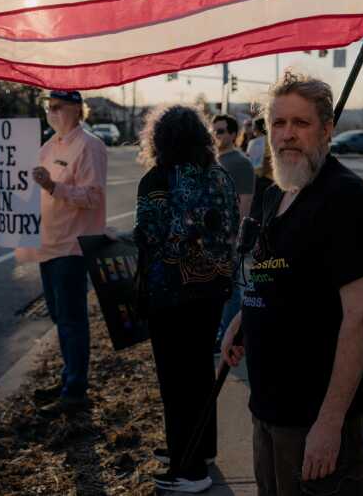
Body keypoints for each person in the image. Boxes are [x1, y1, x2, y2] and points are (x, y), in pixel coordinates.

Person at [221, 72, 363, 496]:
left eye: (301, 123)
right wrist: (244, 317)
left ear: (327, 129)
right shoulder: (276, 194)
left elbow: (360, 318)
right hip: (269, 406)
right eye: (279, 123)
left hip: (315, 416)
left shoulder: (344, 198)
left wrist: (330, 424)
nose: (287, 135)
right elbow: (277, 277)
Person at [135, 105, 239, 494]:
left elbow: (148, 235)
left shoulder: (157, 179)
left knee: (176, 381)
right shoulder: (221, 177)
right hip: (213, 289)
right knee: (198, 371)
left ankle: (190, 469)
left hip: (170, 295)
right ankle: (200, 448)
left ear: (158, 140)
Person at [0, 89, 107, 413]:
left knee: (72, 319)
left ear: (76, 110)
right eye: (48, 107)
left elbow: (92, 196)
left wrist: (53, 186)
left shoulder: (89, 146)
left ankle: (75, 390)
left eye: (57, 107)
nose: (51, 112)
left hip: (73, 245)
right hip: (48, 244)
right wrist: (3, 178)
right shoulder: (48, 146)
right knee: (60, 317)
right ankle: (68, 378)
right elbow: (28, 184)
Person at [212, 114, 254, 347]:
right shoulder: (215, 160)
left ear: (232, 134)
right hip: (213, 238)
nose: (216, 135)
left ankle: (232, 336)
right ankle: (224, 332)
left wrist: (235, 236)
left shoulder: (240, 162)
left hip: (229, 237)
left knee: (231, 289)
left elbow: (245, 201)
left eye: (220, 131)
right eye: (214, 131)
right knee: (220, 287)